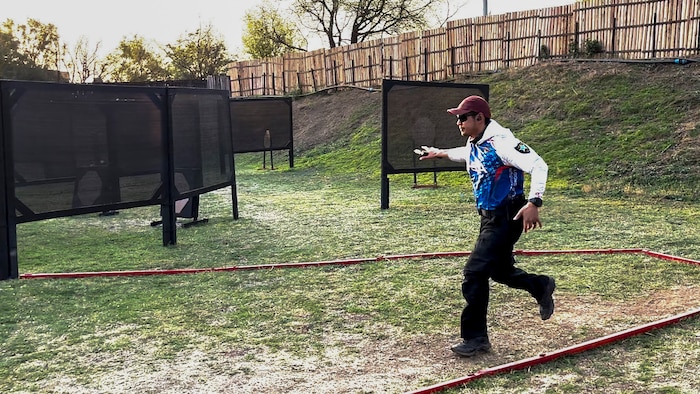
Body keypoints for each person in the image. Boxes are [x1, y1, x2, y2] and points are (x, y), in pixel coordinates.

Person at [418, 95, 555, 357]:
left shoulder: (503, 142)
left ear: (479, 118)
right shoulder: (476, 141)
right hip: (489, 218)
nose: (458, 122)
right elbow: (466, 154)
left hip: (507, 216)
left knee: (474, 273)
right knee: (500, 270)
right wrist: (440, 153)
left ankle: (476, 338)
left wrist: (534, 202)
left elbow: (539, 165)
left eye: (462, 117)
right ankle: (540, 285)